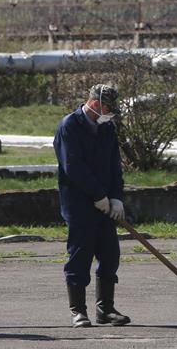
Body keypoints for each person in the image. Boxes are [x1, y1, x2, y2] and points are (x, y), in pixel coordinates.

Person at [53, 84, 131, 328]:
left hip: (106, 203)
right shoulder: (70, 126)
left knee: (110, 254)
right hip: (79, 204)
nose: (110, 114)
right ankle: (78, 311)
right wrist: (98, 195)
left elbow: (114, 166)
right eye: (108, 108)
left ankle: (105, 309)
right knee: (80, 255)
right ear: (96, 104)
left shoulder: (107, 127)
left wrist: (116, 197)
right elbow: (73, 166)